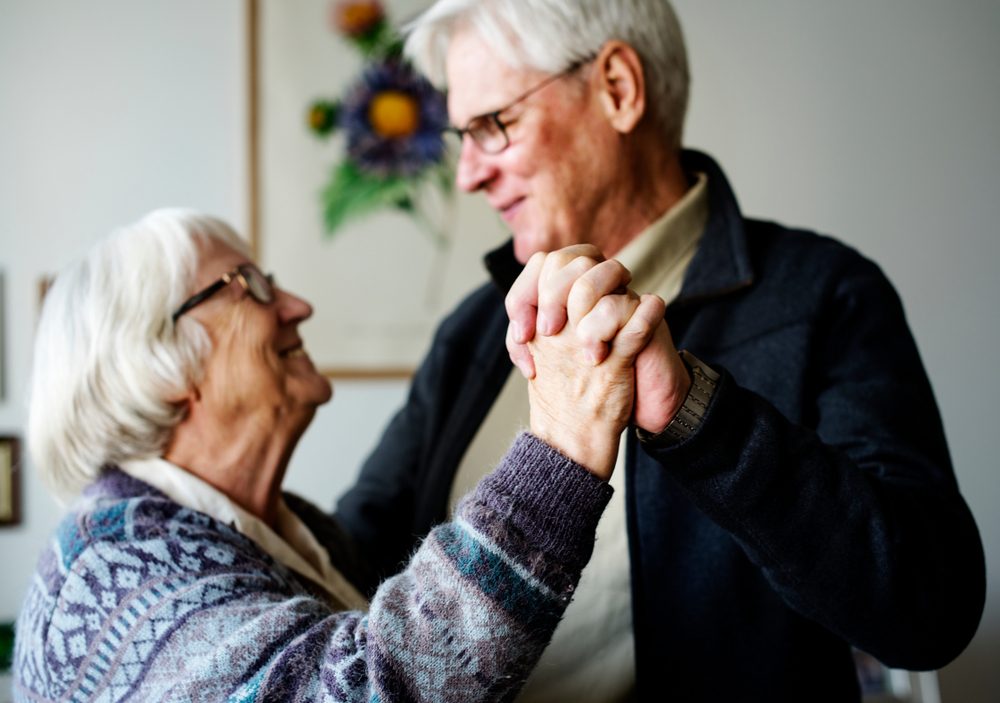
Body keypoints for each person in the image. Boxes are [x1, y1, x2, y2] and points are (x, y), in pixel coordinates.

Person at [334, 1, 987, 700]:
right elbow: (348, 566)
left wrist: (700, 416)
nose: (468, 175)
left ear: (618, 88)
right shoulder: (471, 332)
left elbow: (929, 607)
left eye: (494, 126)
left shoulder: (824, 294)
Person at [13, 208, 667, 702]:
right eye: (248, 285)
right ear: (157, 367)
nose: (298, 305)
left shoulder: (289, 534)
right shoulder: (109, 567)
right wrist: (562, 441)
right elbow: (361, 687)